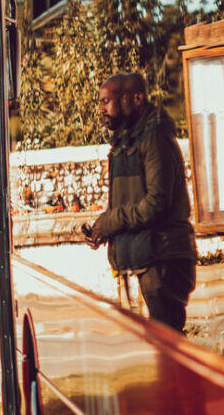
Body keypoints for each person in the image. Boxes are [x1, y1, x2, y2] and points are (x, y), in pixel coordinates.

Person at [84, 73, 197, 332]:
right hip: (147, 256)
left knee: (167, 344)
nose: (101, 109)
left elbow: (156, 202)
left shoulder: (154, 138)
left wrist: (111, 221)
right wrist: (104, 227)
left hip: (162, 257)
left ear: (134, 99)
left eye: (106, 101)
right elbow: (132, 201)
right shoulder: (127, 141)